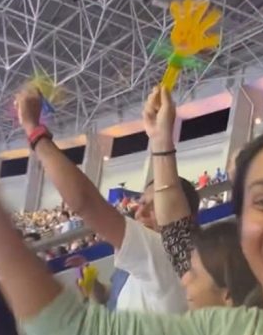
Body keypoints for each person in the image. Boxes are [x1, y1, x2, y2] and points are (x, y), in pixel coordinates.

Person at [0, 92, 263, 335]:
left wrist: (27, 140)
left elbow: (151, 219)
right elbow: (70, 325)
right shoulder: (223, 329)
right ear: (245, 226)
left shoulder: (165, 257)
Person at [12, 88, 200, 313]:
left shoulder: (168, 258)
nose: (141, 212)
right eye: (141, 203)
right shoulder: (144, 263)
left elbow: (85, 202)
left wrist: (34, 130)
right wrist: (93, 284)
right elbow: (114, 296)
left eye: (155, 204)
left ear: (183, 217)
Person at [143, 87, 260, 310]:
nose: (184, 279)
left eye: (194, 274)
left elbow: (175, 232)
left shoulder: (233, 251)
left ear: (228, 296)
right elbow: (175, 233)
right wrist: (160, 141)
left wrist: (161, 142)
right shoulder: (228, 245)